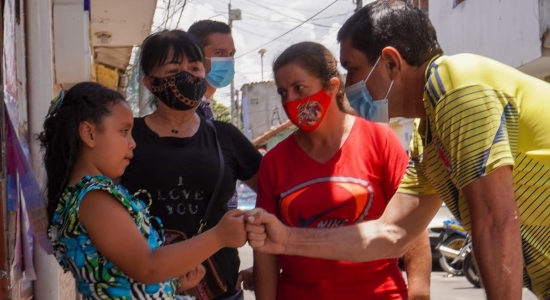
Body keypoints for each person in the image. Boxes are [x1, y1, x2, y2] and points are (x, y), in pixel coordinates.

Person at [245, 1, 550, 299]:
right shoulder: (428, 136)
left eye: (352, 69)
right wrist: (286, 239)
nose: (348, 84)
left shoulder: (458, 88)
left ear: (391, 62)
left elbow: (495, 222)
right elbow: (391, 233)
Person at [251, 41, 431, 300]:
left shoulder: (380, 141)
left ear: (332, 86)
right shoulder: (274, 162)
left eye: (299, 88)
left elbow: (412, 226)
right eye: (282, 92)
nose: (290, 100)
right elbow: (265, 251)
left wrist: (420, 293)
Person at [39, 82, 247, 299]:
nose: (132, 143)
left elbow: (118, 282)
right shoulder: (94, 199)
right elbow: (148, 267)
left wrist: (170, 285)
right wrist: (220, 236)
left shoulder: (85, 196)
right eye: (124, 131)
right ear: (89, 133)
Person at [120, 29, 262, 300]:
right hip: (145, 292)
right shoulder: (128, 138)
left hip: (221, 290)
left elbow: (276, 196)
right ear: (150, 82)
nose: (188, 75)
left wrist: (266, 262)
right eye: (174, 68)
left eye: (195, 67)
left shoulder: (225, 137)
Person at [188, 20, 236, 120]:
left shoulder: (203, 107)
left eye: (231, 54)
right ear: (195, 55)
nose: (228, 60)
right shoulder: (187, 113)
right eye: (219, 53)